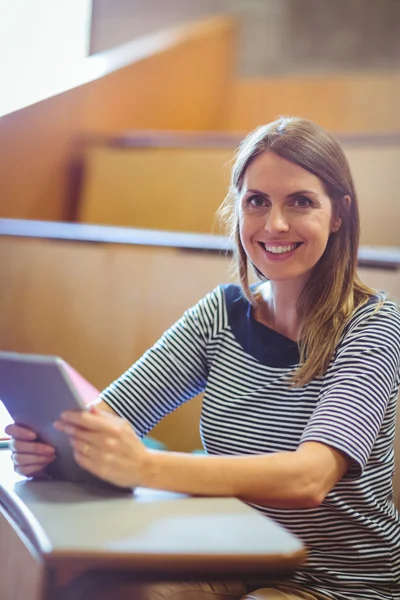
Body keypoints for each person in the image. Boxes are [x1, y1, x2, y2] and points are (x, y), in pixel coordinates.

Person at [6, 117, 400, 600]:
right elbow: (106, 418)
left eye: (300, 202)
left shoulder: (374, 326)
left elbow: (310, 478)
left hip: (344, 581)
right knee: (103, 591)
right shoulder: (222, 313)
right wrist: (55, 446)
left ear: (338, 214)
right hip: (230, 550)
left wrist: (143, 466)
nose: (274, 224)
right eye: (257, 202)